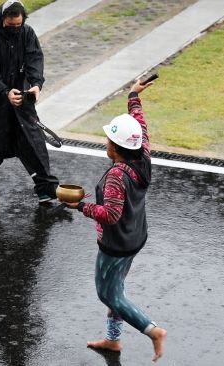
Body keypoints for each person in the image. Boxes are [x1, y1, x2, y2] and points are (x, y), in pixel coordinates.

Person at [60, 79, 168, 362]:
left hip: (116, 245)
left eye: (109, 140)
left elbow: (110, 215)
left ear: (116, 148)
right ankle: (112, 340)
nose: (106, 142)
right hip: (136, 237)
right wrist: (133, 95)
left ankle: (153, 330)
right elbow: (140, 124)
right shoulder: (143, 155)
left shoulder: (116, 177)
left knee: (109, 295)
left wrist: (80, 206)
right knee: (117, 289)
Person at [0, 0, 58, 202]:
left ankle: (46, 187)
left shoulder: (27, 33)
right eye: (10, 26)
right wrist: (5, 92)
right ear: (1, 20)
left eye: (17, 26)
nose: (14, 29)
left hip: (22, 97)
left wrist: (36, 84)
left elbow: (35, 59)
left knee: (33, 141)